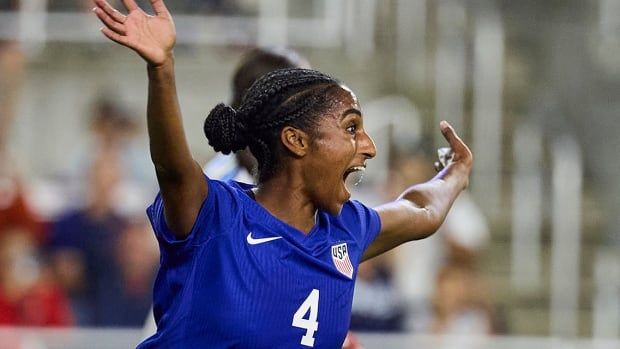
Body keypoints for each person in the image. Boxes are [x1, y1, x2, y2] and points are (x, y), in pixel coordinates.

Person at [93, 1, 472, 348]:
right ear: (296, 141)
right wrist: (161, 70)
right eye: (352, 128)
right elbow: (173, 170)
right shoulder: (218, 214)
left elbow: (421, 210)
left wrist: (455, 173)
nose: (370, 146)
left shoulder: (346, 230)